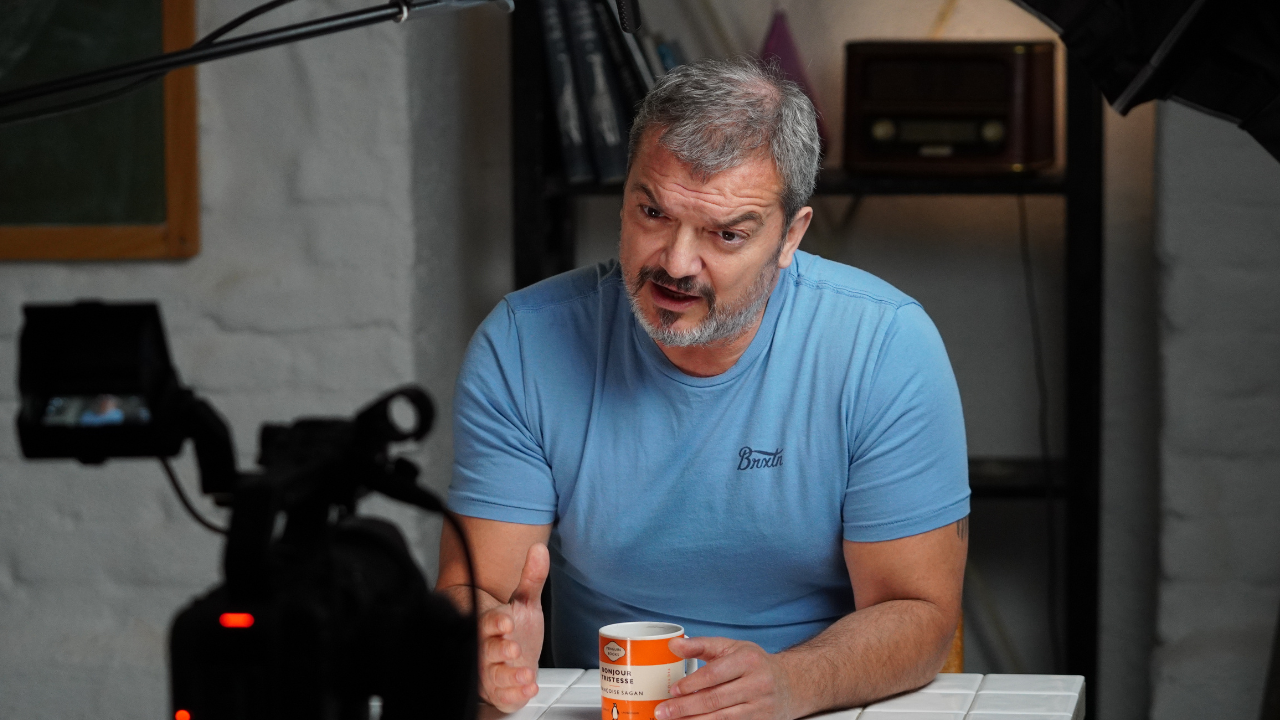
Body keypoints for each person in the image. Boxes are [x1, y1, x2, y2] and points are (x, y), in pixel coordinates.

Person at [437, 56, 970, 720]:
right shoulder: (524, 344)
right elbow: (472, 590)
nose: (676, 262)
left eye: (725, 234)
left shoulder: (884, 345)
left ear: (791, 236)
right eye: (652, 212)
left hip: (822, 705)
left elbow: (919, 614)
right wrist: (485, 641)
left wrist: (791, 683)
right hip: (607, 707)